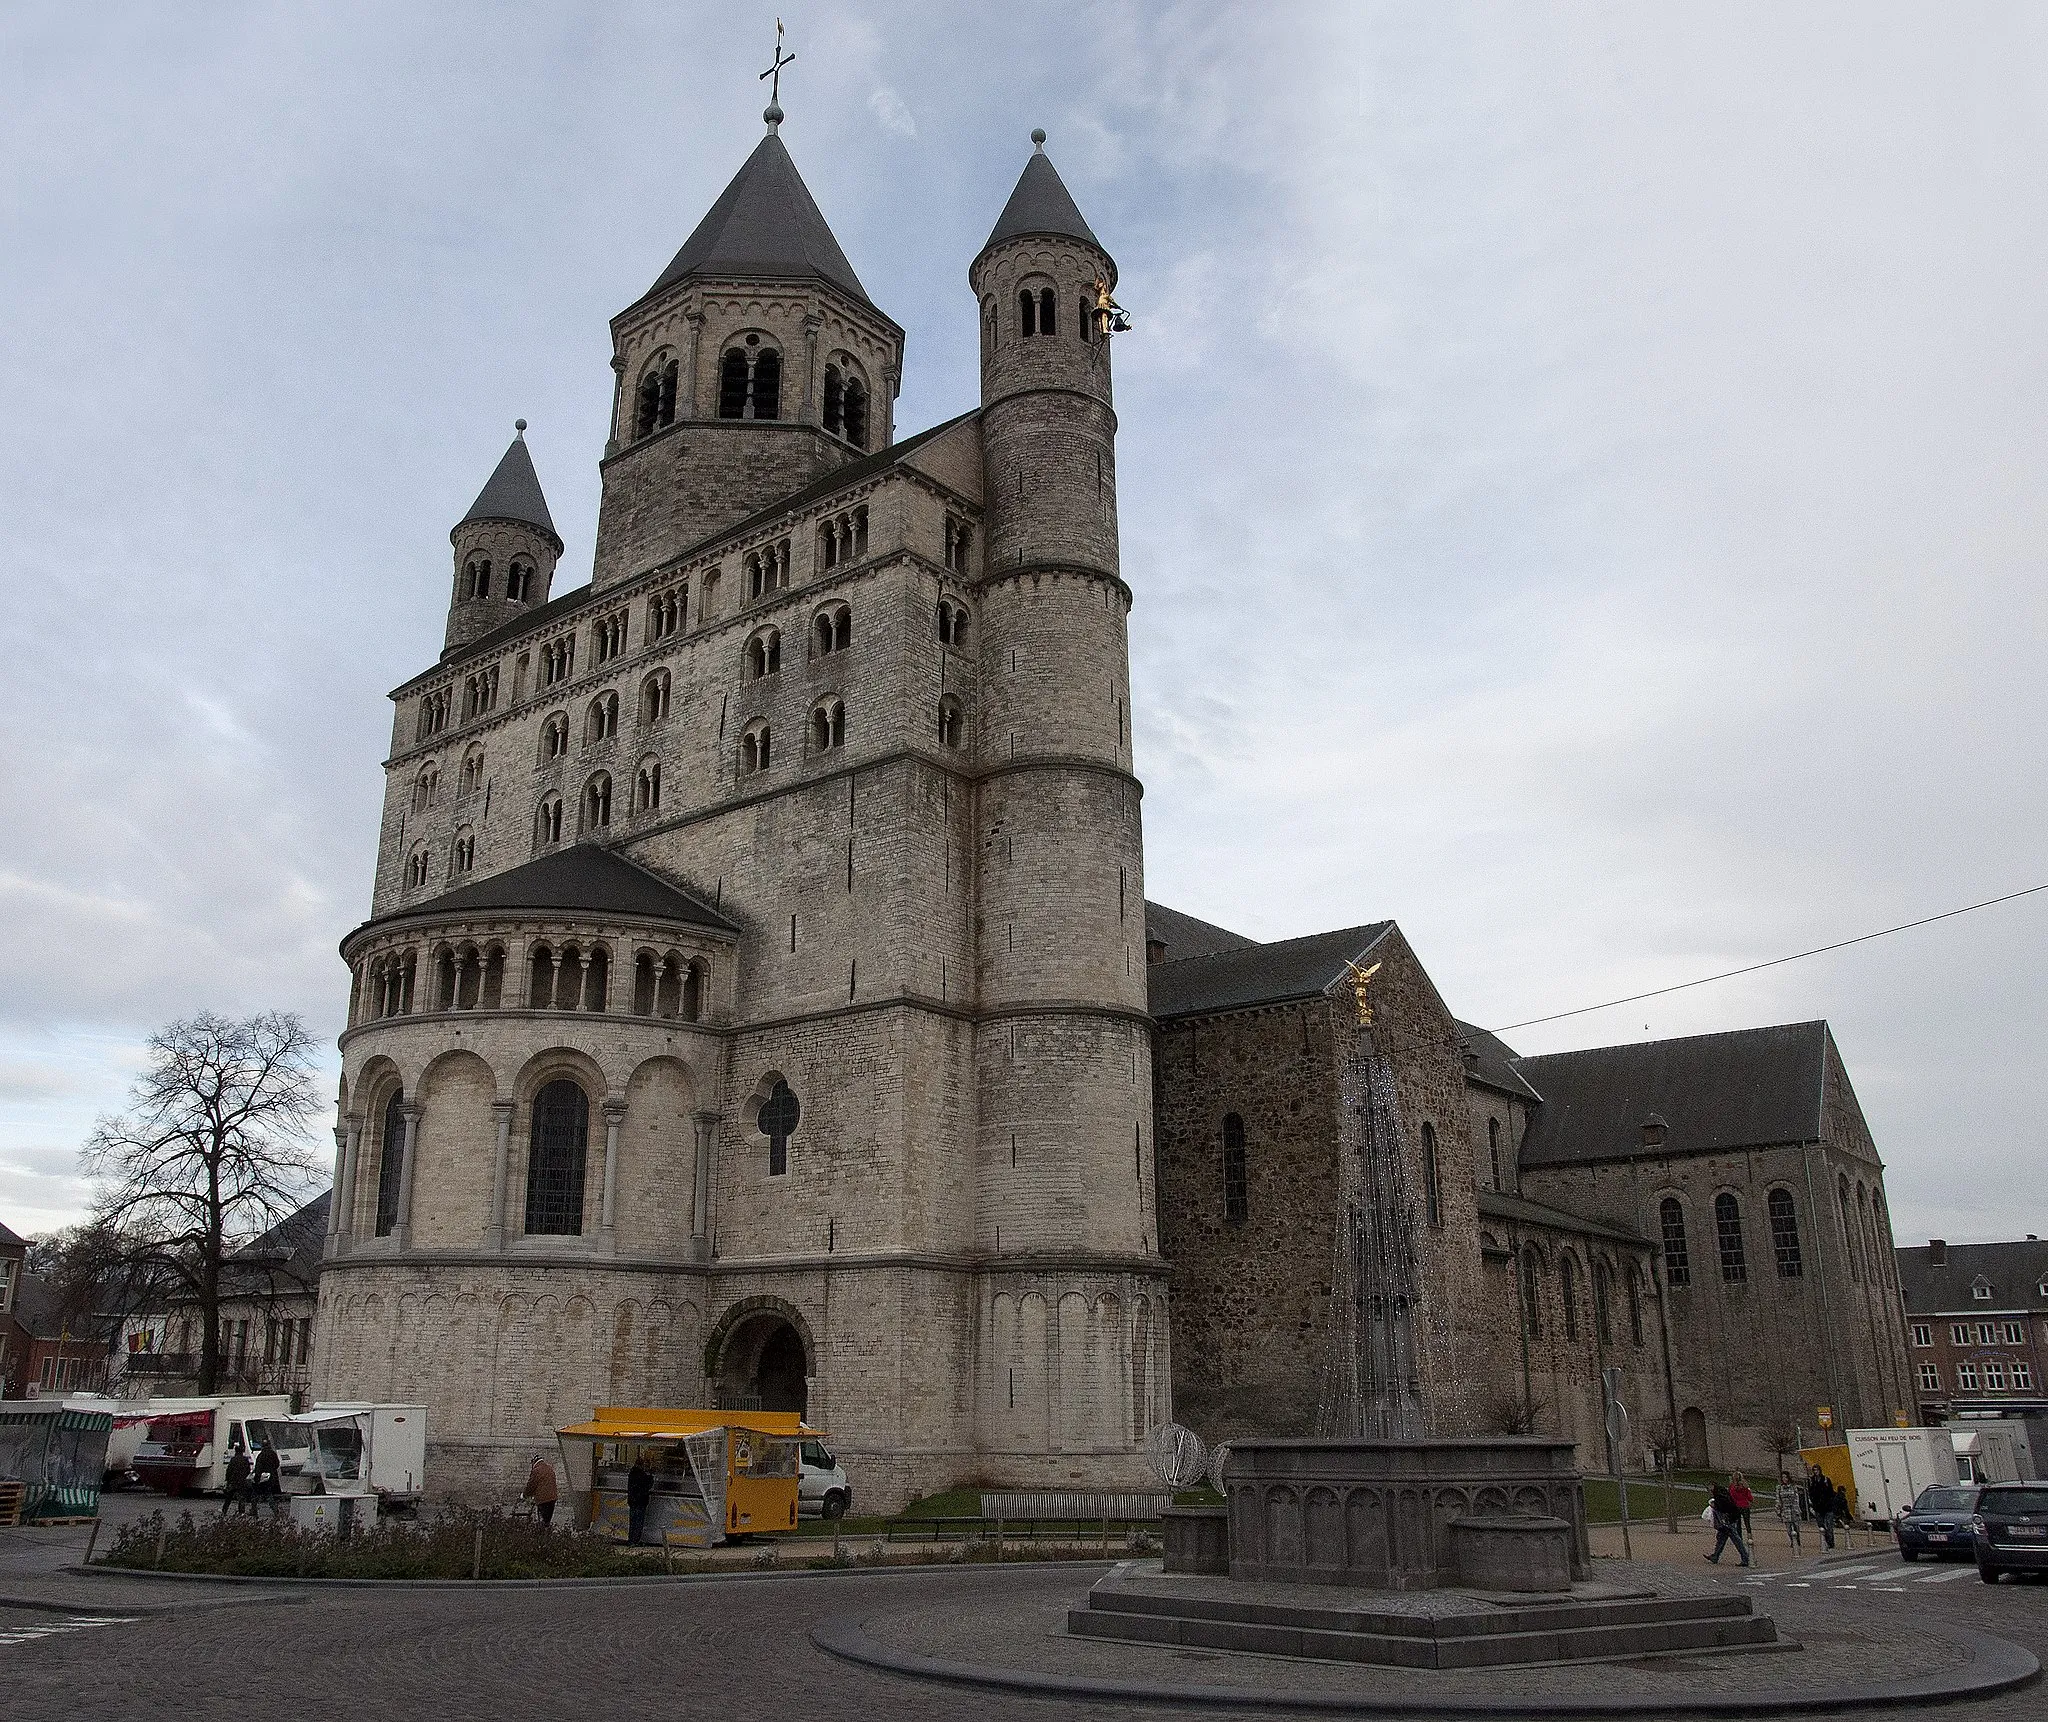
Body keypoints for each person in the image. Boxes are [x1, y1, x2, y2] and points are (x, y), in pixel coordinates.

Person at [1705, 1482, 1750, 1566]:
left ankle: (1745, 1558)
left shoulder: (1720, 1497)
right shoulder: (1722, 1494)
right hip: (1730, 1519)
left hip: (1729, 1520)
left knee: (1736, 1540)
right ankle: (1715, 1556)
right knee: (1721, 1538)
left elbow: (1724, 1508)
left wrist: (1715, 1506)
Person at [626, 1452, 654, 1547]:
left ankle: (631, 1540)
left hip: (633, 1500)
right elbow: (648, 1485)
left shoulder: (632, 1473)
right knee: (638, 1522)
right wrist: (651, 1475)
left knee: (633, 1521)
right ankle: (635, 1540)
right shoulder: (641, 1475)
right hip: (640, 1501)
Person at [523, 1454, 558, 1528]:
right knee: (547, 1520)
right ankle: (547, 1533)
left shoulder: (536, 1470)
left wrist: (525, 1495)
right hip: (552, 1498)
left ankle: (541, 1536)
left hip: (543, 1499)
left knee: (542, 1521)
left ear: (534, 1462)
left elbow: (531, 1485)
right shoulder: (549, 1468)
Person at [1807, 1470, 1838, 1551]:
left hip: (1827, 1506)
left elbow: (1830, 1492)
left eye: (1816, 1470)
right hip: (1818, 1507)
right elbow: (1811, 1492)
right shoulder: (1812, 1481)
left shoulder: (1825, 1480)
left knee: (1829, 1525)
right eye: (1814, 1470)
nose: (1815, 1472)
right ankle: (1826, 1539)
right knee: (1821, 1525)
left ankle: (1831, 1542)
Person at [252, 1437, 283, 1518]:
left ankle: (254, 1511)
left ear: (262, 1446)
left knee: (255, 1495)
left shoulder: (261, 1455)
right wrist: (271, 1471)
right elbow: (277, 1464)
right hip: (271, 1478)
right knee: (269, 1495)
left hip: (262, 1479)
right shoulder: (273, 1454)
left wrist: (256, 1479)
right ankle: (275, 1511)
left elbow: (258, 1468)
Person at [221, 1441, 252, 1518]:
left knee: (229, 1497)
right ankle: (241, 1512)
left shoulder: (233, 1459)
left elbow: (229, 1470)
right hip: (242, 1481)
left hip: (233, 1481)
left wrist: (227, 1480)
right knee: (241, 1497)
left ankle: (224, 1511)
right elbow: (248, 1470)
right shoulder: (245, 1460)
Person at [1774, 1470, 1804, 1551]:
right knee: (1788, 1527)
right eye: (1783, 1477)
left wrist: (1798, 1508)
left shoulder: (1793, 1486)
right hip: (1785, 1508)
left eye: (1785, 1477)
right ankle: (1792, 1540)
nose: (1784, 1479)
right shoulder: (1779, 1487)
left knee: (1796, 1526)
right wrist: (1778, 1509)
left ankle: (1797, 1539)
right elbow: (1778, 1499)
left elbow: (1796, 1497)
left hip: (1793, 1508)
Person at [1729, 1471, 1755, 1546]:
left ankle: (1739, 1539)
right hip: (1745, 1506)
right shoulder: (1745, 1486)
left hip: (1736, 1506)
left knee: (1738, 1524)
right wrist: (1751, 1500)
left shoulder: (1732, 1487)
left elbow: (1730, 1496)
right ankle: (1750, 1537)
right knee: (1747, 1523)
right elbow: (1749, 1497)